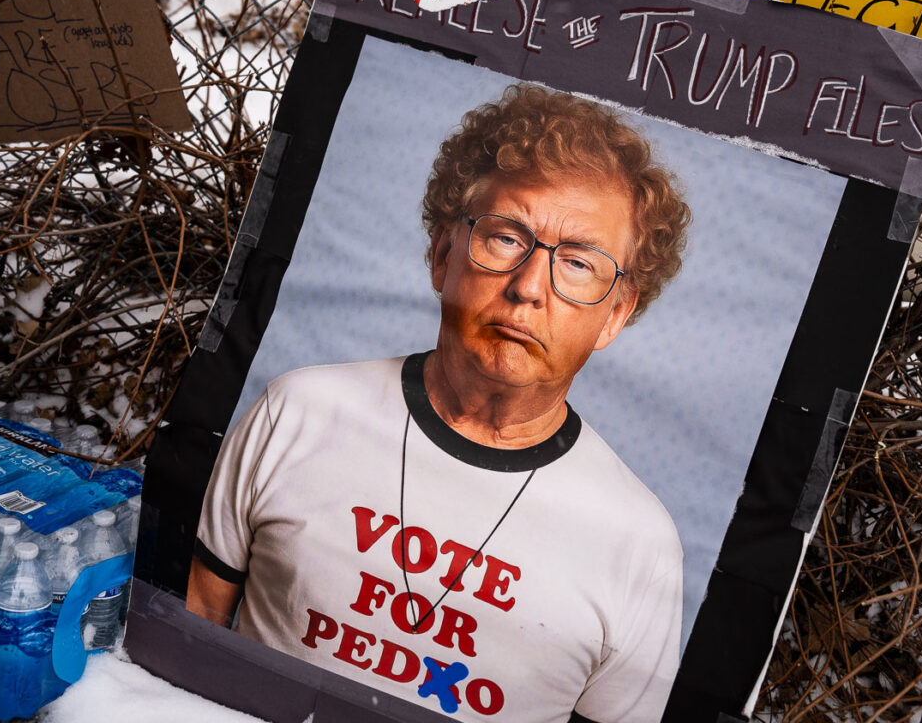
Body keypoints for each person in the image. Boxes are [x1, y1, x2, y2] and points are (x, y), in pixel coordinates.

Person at [186, 84, 693, 722]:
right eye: (506, 238)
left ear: (615, 314)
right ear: (441, 254)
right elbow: (189, 645)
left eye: (579, 263)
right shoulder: (296, 413)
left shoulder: (641, 546)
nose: (529, 287)